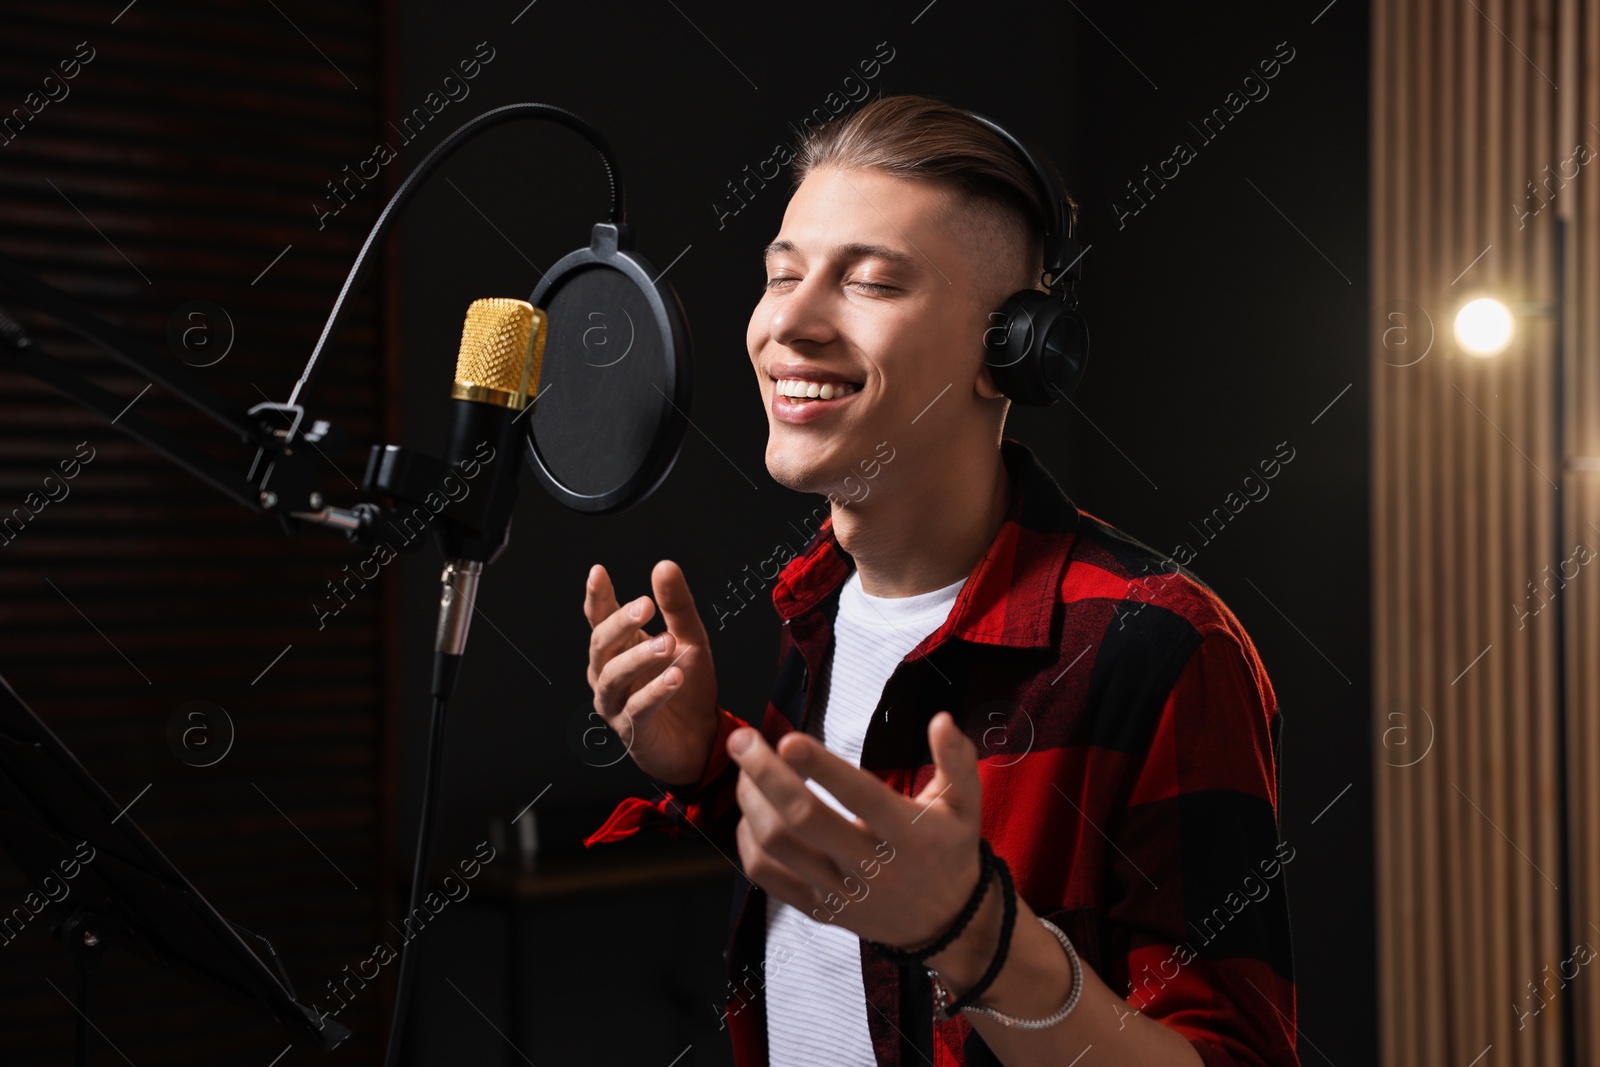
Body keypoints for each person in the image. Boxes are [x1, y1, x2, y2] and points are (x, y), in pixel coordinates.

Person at [581, 94, 1299, 1067]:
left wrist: (975, 936)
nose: (790, 321)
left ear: (1013, 349)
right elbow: (851, 899)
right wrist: (705, 761)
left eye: (870, 283)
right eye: (780, 275)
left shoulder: (1158, 646)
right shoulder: (822, 602)